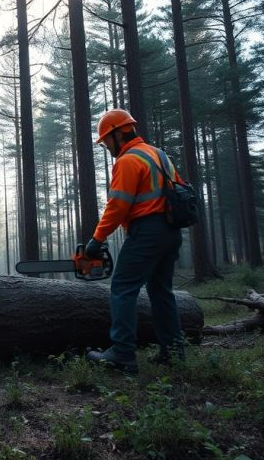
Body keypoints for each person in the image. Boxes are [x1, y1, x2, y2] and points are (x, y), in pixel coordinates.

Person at [83, 109, 187, 374]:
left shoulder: (128, 160)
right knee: (161, 290)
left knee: (122, 287)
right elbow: (179, 189)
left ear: (119, 133)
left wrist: (97, 239)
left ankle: (122, 353)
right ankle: (173, 351)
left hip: (148, 232)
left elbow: (118, 205)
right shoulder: (158, 154)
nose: (106, 146)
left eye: (107, 140)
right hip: (170, 231)